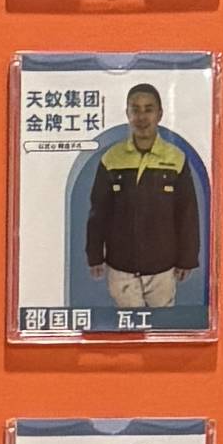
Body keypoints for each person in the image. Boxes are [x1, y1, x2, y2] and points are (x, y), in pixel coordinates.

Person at [79, 83, 202, 327]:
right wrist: (95, 255)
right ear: (127, 114)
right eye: (135, 109)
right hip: (120, 266)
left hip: (163, 267)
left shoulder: (175, 158)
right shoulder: (112, 158)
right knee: (130, 330)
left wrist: (187, 258)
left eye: (148, 109)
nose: (142, 117)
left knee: (162, 328)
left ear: (160, 114)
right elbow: (98, 211)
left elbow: (187, 213)